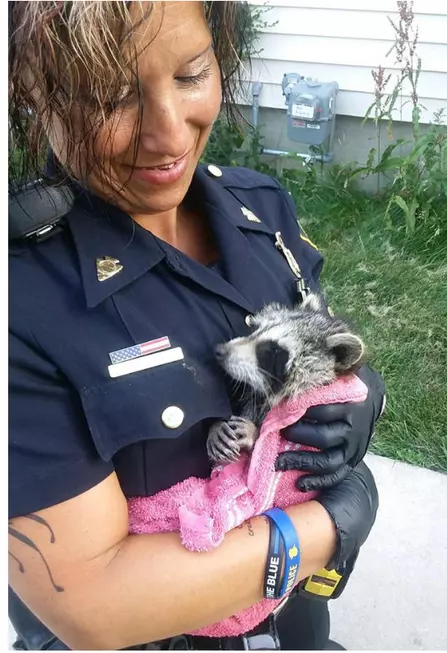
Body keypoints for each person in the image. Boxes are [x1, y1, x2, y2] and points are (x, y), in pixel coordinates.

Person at [8, 2, 385, 649]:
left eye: (190, 74)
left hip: (291, 625)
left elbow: (318, 342)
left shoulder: (259, 208)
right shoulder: (22, 300)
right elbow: (96, 605)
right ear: (34, 88)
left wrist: (361, 392)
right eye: (111, 97)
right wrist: (333, 523)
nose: (169, 134)